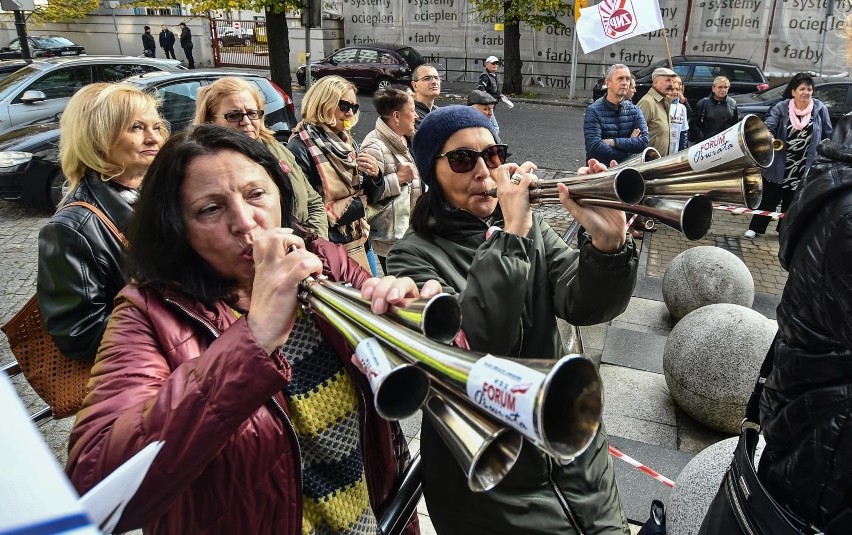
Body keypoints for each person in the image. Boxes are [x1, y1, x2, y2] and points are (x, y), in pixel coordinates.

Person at [65, 124, 432, 534]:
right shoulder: (147, 316)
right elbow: (93, 485)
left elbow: (430, 379)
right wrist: (252, 340)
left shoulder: (321, 261)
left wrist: (418, 324)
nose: (244, 222)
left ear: (280, 192)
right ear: (176, 226)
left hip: (375, 520)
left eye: (256, 194)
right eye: (210, 209)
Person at [387, 105, 639, 535]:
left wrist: (607, 245)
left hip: (574, 451)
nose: (485, 173)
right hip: (494, 480)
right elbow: (479, 352)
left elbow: (583, 304)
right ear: (432, 173)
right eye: (463, 160)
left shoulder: (528, 227)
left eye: (494, 155)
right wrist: (512, 235)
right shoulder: (410, 256)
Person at [37, 83, 166, 360]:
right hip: (144, 375)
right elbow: (79, 335)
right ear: (97, 136)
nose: (154, 138)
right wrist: (169, 310)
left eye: (156, 127)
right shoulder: (71, 228)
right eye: (136, 127)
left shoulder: (164, 192)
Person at [193, 76, 328, 238]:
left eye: (252, 113)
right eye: (234, 115)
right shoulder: (204, 168)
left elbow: (313, 202)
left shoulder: (277, 149)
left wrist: (316, 245)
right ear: (210, 121)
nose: (246, 121)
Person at [287, 75, 384, 273]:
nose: (350, 113)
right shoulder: (300, 148)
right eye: (344, 105)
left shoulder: (347, 143)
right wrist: (357, 205)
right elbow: (303, 211)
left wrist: (375, 176)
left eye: (354, 107)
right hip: (330, 249)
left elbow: (368, 194)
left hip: (361, 240)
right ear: (323, 103)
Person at [744, 72, 832, 239]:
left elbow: (827, 133)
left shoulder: (820, 109)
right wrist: (769, 135)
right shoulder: (782, 107)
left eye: (809, 89)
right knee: (769, 198)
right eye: (802, 89)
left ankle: (783, 231)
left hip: (804, 164)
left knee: (792, 201)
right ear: (793, 91)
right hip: (780, 163)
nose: (806, 92)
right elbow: (769, 125)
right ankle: (756, 227)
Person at [361, 86, 421, 271]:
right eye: (412, 111)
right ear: (396, 116)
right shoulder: (374, 146)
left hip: (411, 232)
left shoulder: (407, 138)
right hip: (392, 240)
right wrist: (398, 178)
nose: (416, 116)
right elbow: (368, 197)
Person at [583, 63, 649, 164]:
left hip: (627, 173)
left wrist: (613, 142)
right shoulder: (594, 110)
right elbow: (594, 148)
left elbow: (643, 142)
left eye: (627, 79)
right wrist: (629, 152)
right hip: (600, 171)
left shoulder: (635, 110)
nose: (625, 82)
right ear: (608, 83)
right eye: (620, 79)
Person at [638, 67, 676, 157]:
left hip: (661, 161)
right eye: (668, 80)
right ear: (655, 83)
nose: (671, 84)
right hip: (649, 161)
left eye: (672, 81)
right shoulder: (647, 102)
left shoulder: (665, 101)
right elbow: (636, 134)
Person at [690, 76, 738, 143]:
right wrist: (702, 138)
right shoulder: (703, 103)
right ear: (713, 88)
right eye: (720, 87)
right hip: (707, 144)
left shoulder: (732, 103)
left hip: (726, 143)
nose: (723, 90)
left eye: (725, 87)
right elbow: (693, 125)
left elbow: (734, 125)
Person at [477, 55, 504, 133]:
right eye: (493, 63)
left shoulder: (493, 75)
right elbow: (481, 89)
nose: (495, 65)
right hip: (488, 106)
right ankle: (492, 143)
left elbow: (494, 89)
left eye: (497, 63)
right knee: (495, 128)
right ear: (487, 64)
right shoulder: (485, 76)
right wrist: (487, 102)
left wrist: (500, 95)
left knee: (486, 125)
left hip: (491, 105)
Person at [412, 64, 441, 129]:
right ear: (415, 86)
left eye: (436, 78)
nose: (434, 82)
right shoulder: (411, 115)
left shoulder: (440, 112)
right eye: (427, 79)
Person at [669, 75, 689, 153]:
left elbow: (684, 131)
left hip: (675, 150)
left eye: (677, 89)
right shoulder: (661, 106)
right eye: (672, 89)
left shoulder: (682, 108)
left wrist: (682, 151)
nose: (675, 92)